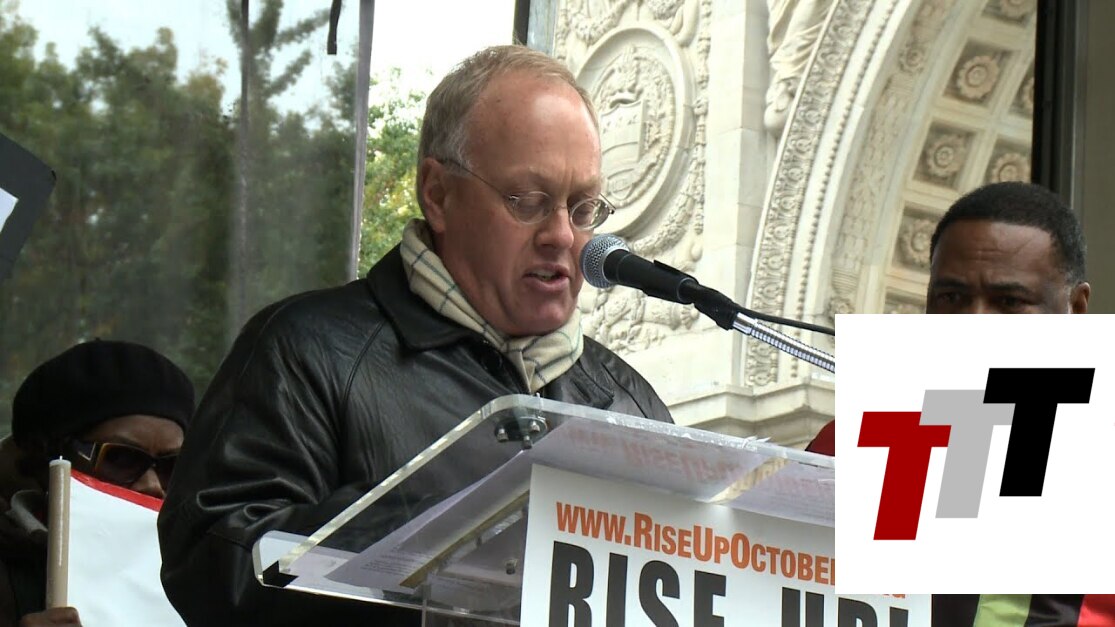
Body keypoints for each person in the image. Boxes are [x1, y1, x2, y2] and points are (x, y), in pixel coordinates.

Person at [157, 45, 673, 626]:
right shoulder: (306, 351)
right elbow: (211, 564)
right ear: (438, 194)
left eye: (582, 209)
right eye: (529, 202)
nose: (561, 235)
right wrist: (439, 529)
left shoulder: (631, 404)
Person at [0, 339, 194, 627]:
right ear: (46, 458)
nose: (153, 485)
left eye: (172, 466)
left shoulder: (208, 570)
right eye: (121, 459)